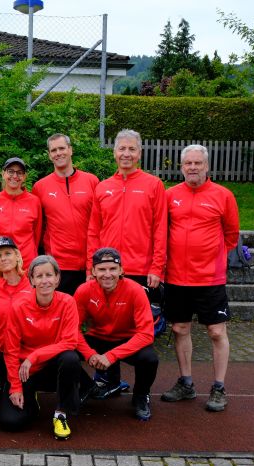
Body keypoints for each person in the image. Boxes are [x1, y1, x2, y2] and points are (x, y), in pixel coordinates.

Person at [162, 144, 239, 412]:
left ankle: (219, 387)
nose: (193, 167)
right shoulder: (170, 195)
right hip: (176, 277)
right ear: (182, 167)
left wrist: (212, 258)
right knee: (180, 329)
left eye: (198, 163)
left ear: (207, 166)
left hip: (210, 278)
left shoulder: (223, 195)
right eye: (188, 163)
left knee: (216, 331)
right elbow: (162, 230)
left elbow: (231, 234)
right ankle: (186, 383)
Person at [0, 255, 81, 440]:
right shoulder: (19, 306)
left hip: (51, 366)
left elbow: (70, 341)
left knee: (71, 358)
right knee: (11, 422)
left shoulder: (68, 302)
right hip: (25, 371)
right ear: (32, 280)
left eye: (49, 275)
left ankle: (61, 414)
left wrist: (34, 356)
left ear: (57, 278)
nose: (44, 280)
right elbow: (11, 350)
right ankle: (32, 399)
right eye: (39, 276)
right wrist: (15, 387)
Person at [75, 248, 159, 421]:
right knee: (65, 352)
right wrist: (89, 354)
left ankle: (141, 395)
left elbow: (146, 334)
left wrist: (111, 356)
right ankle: (87, 386)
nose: (108, 274)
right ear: (93, 271)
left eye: (112, 269)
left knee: (150, 358)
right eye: (102, 269)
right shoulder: (83, 290)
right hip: (97, 338)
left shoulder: (135, 290)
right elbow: (71, 329)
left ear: (121, 270)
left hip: (126, 339)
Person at [86, 129, 166, 304]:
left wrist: (157, 268)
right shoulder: (102, 187)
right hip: (108, 269)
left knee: (141, 318)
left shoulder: (154, 185)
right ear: (114, 153)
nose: (126, 154)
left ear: (139, 153)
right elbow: (94, 231)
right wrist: (91, 267)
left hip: (141, 269)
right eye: (122, 149)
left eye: (132, 149)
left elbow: (160, 229)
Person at [32, 134, 99, 295]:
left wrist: (94, 261)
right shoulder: (40, 187)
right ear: (49, 155)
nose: (58, 153)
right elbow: (38, 228)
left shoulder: (92, 181)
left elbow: (99, 223)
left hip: (89, 264)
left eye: (62, 148)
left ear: (70, 150)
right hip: (58, 265)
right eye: (53, 150)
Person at [0, 236, 32, 394]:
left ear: (17, 256)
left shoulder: (32, 286)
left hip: (22, 355)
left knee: (13, 411)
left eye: (7, 253)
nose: (3, 258)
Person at [0, 157, 42, 274]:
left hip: (26, 264)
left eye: (19, 172)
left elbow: (37, 234)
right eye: (10, 171)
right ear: (3, 174)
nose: (15, 176)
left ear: (24, 177)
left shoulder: (34, 201)